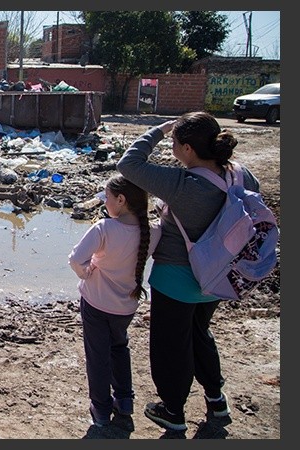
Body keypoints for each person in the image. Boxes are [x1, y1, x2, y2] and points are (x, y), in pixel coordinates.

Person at [116, 111, 259, 432]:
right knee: (199, 334)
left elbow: (128, 164)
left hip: (177, 279)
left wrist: (157, 131)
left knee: (171, 345)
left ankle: (172, 410)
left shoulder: (183, 184)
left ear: (189, 150)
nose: (172, 148)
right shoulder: (242, 175)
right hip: (219, 275)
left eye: (175, 143)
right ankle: (216, 400)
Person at [68, 174, 161, 427]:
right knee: (120, 348)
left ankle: (100, 409)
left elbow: (76, 260)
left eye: (107, 197)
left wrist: (85, 273)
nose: (104, 202)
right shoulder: (153, 232)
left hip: (96, 303)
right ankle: (124, 400)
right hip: (126, 306)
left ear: (121, 200)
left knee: (98, 355)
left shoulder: (105, 228)